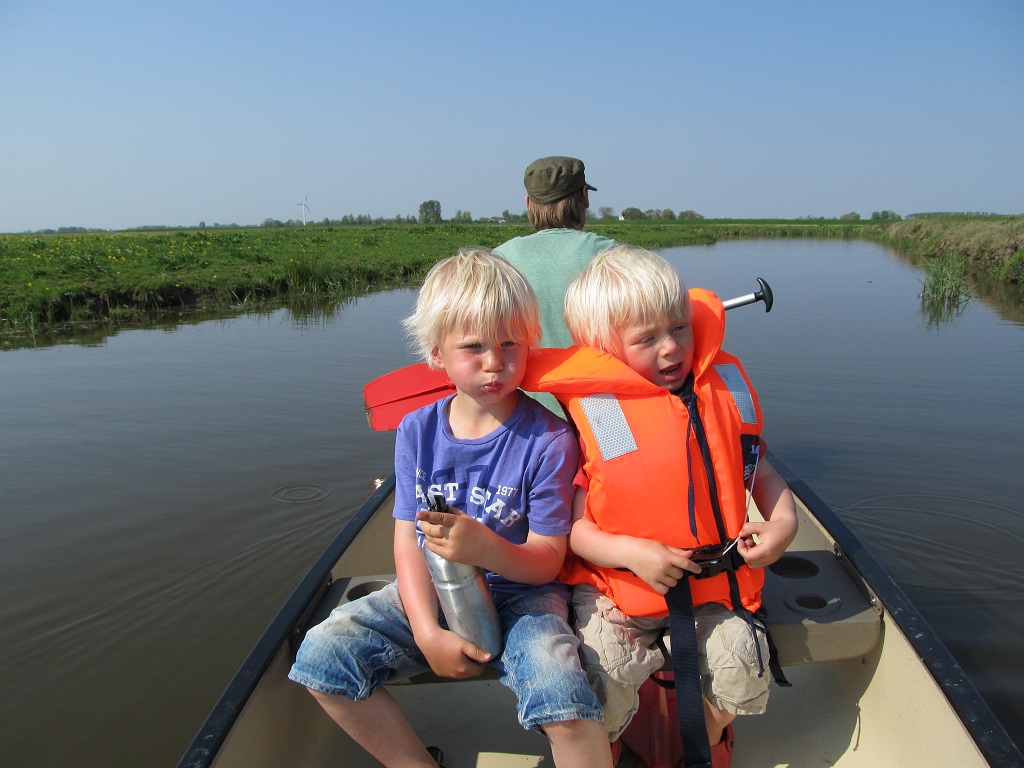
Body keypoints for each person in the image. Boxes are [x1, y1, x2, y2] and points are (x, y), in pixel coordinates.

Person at [288, 248, 612, 768]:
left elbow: (548, 560)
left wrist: (484, 547)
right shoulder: (417, 430)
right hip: (437, 590)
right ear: (436, 354)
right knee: (322, 657)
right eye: (474, 347)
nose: (494, 362)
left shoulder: (549, 439)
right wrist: (425, 631)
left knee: (564, 699)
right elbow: (407, 540)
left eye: (511, 344)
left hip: (524, 596)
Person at [520, 245, 798, 767]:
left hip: (719, 586)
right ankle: (610, 745)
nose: (671, 349)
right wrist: (632, 552)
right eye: (647, 339)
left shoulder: (719, 389)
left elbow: (756, 468)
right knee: (599, 677)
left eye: (679, 328)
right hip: (623, 591)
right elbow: (575, 528)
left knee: (740, 669)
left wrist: (784, 521)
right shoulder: (599, 413)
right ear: (606, 348)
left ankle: (711, 740)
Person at [495, 155, 616, 349]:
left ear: (528, 203)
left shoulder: (499, 259)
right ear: (585, 197)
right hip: (596, 376)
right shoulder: (609, 252)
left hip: (530, 378)